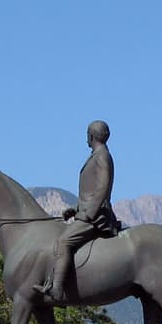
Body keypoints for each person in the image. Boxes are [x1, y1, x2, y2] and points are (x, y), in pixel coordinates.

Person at [34, 120, 120, 301]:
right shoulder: (97, 156)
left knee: (64, 241)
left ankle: (57, 289)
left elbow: (102, 190)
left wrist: (87, 215)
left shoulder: (102, 156)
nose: (86, 138)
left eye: (87, 134)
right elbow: (91, 193)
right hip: (88, 212)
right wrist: (75, 210)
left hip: (97, 217)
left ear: (91, 136)